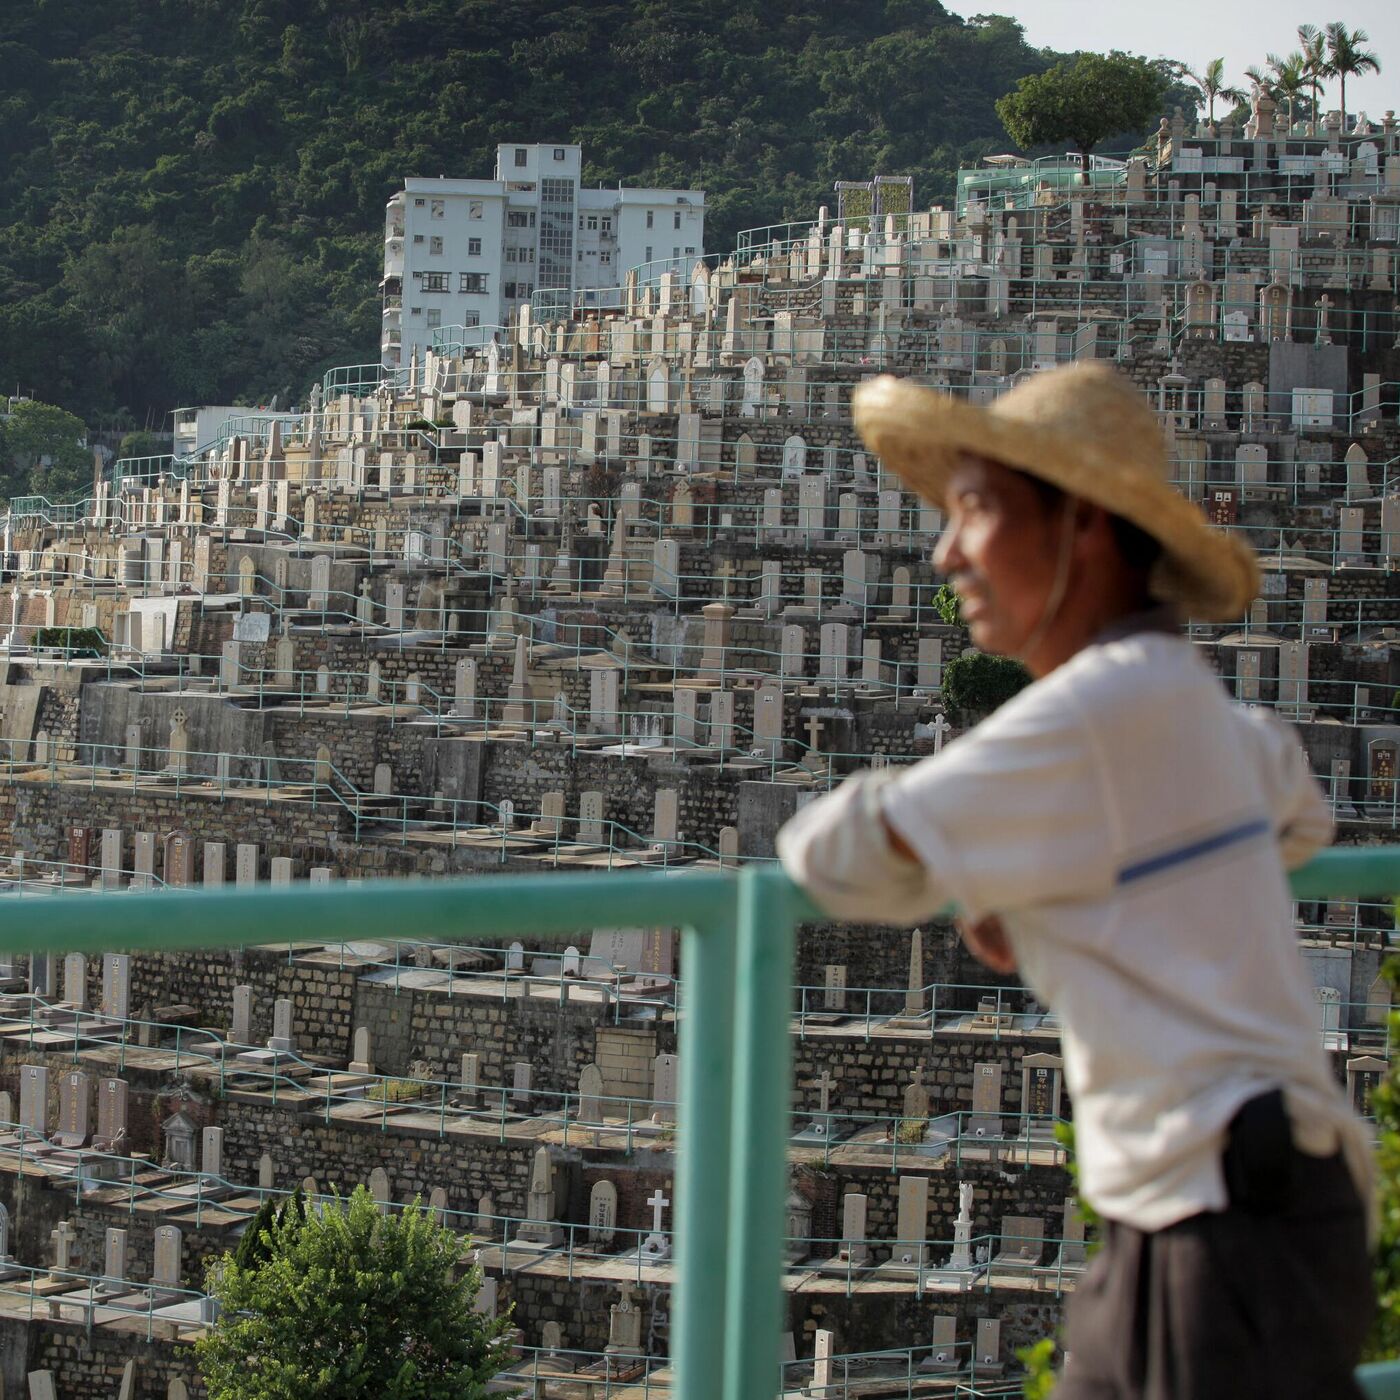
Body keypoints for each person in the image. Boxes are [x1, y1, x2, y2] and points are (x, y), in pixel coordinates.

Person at [777, 363, 1374, 1400]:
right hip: (1267, 1203)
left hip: (1210, 1225)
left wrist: (1006, 857)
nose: (945, 551)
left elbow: (829, 853)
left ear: (1081, 525)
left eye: (974, 510)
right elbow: (1297, 812)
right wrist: (1091, 879)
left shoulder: (1094, 710)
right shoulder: (1197, 704)